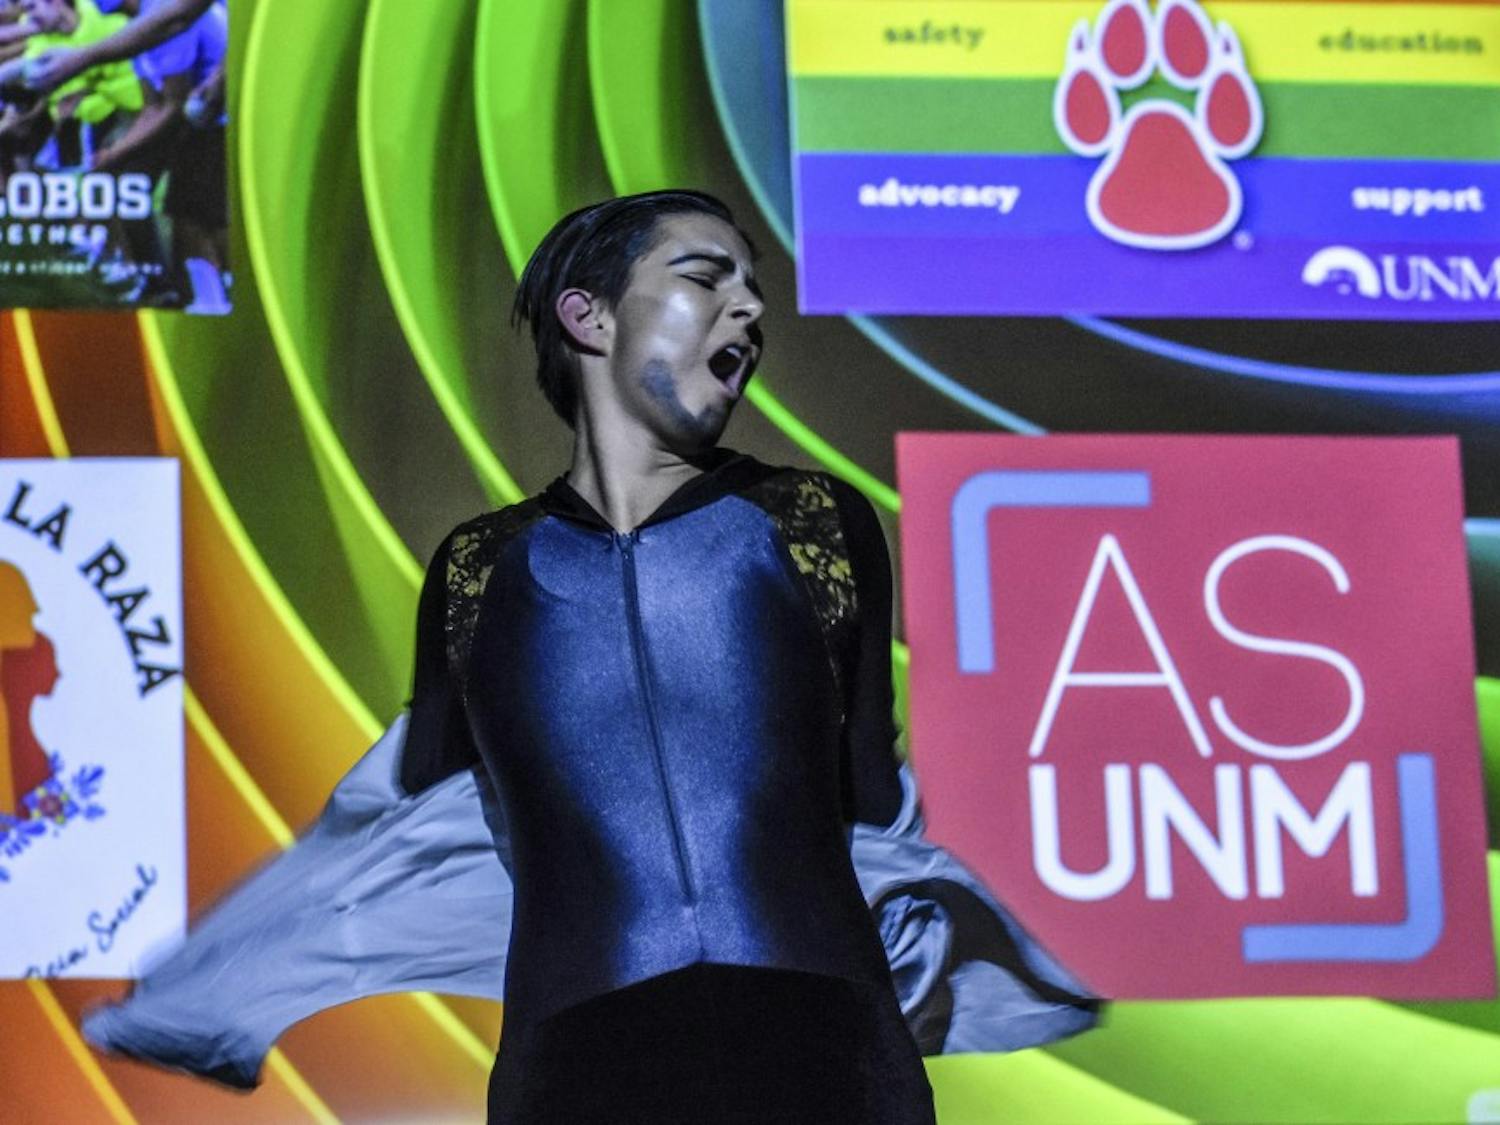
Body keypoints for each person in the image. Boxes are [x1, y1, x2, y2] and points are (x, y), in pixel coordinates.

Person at [83, 191, 1100, 1122]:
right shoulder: (482, 568)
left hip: (826, 1057)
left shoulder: (813, 521)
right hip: (579, 1071)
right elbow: (424, 816)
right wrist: (246, 963)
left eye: (754, 287)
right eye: (707, 278)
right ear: (590, 319)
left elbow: (868, 798)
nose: (748, 309)